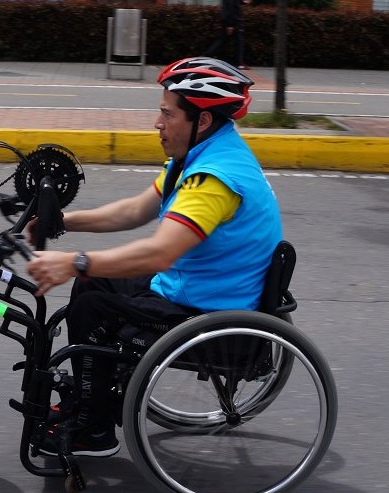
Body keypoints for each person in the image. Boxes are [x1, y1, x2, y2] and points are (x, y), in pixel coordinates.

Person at [25, 56, 283, 457]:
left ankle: (93, 428)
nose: (157, 123)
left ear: (202, 121)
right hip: (195, 285)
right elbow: (136, 210)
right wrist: (63, 222)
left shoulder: (212, 180)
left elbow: (161, 253)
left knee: (92, 311)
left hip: (205, 310)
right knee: (95, 282)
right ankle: (92, 397)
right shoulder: (200, 155)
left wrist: (73, 260)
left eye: (167, 113)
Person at [203, 0, 250, 69]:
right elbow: (229, 8)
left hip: (231, 21)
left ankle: (205, 57)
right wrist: (230, 25)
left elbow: (235, 1)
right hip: (232, 22)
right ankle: (238, 63)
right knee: (236, 42)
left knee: (223, 42)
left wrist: (243, 1)